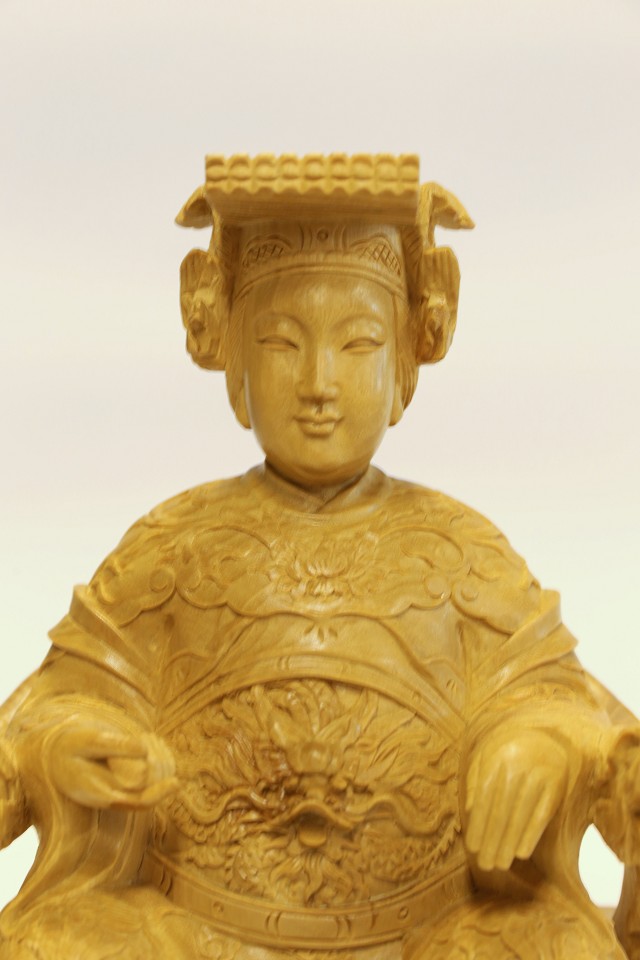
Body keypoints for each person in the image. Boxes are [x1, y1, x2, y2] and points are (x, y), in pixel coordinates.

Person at [0, 154, 638, 960]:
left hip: (434, 932)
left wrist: (542, 748)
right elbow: (37, 719)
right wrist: (66, 749)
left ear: (405, 362)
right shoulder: (174, 550)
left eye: (358, 343)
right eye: (280, 342)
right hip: (193, 935)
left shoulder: (460, 556)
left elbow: (585, 722)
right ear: (232, 357)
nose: (318, 384)